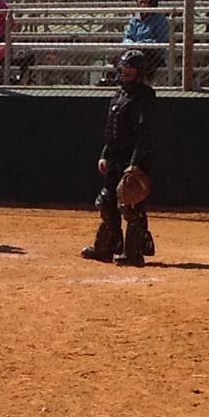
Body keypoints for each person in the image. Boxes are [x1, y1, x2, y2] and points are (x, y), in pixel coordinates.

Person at [81, 48, 157, 267]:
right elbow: (111, 131)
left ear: (141, 72)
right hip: (115, 156)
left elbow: (145, 134)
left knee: (129, 203)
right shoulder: (119, 94)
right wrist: (104, 155)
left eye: (131, 70)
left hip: (134, 158)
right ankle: (106, 247)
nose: (126, 73)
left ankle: (134, 252)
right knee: (106, 201)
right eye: (124, 69)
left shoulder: (145, 97)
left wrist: (135, 164)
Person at [122, 0, 169, 80]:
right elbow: (127, 36)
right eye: (140, 3)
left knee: (140, 60)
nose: (142, 5)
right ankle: (115, 80)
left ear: (152, 4)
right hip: (133, 50)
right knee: (120, 58)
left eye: (145, 2)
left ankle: (140, 84)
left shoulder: (160, 20)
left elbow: (159, 40)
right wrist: (131, 44)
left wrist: (140, 44)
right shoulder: (134, 20)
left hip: (152, 52)